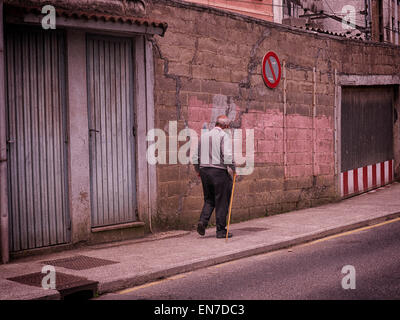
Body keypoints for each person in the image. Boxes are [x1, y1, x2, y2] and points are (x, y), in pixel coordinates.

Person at [193, 115, 236, 239]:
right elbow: (227, 156)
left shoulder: (204, 136)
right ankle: (221, 230)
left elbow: (195, 157)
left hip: (204, 171)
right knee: (222, 201)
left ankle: (203, 221)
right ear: (226, 126)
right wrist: (234, 168)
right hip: (218, 171)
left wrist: (198, 170)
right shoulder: (224, 136)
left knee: (209, 199)